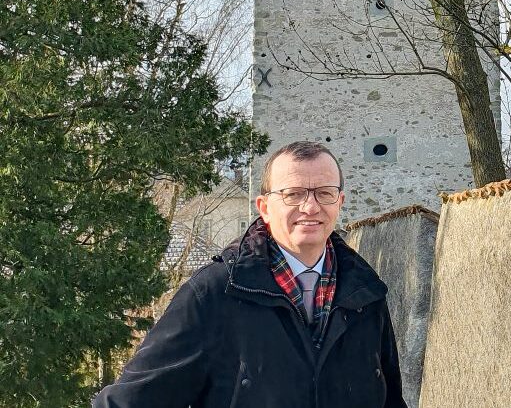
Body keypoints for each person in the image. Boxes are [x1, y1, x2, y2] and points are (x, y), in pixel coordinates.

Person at [94, 141, 407, 408]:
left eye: (324, 193)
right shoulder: (214, 295)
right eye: (293, 194)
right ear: (264, 208)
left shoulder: (365, 294)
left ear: (339, 202)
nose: (310, 207)